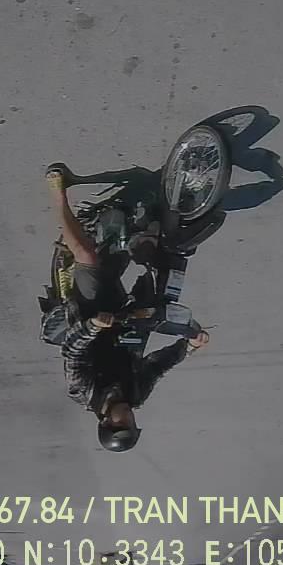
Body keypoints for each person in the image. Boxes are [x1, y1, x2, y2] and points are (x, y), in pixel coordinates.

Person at [42, 167, 210, 453]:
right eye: (131, 424)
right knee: (162, 272)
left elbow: (73, 351)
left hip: (90, 313)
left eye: (123, 424)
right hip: (131, 319)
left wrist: (94, 326)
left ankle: (59, 197)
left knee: (86, 255)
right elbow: (158, 366)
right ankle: (175, 215)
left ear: (106, 421)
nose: (129, 418)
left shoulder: (83, 391)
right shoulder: (136, 394)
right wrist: (190, 346)